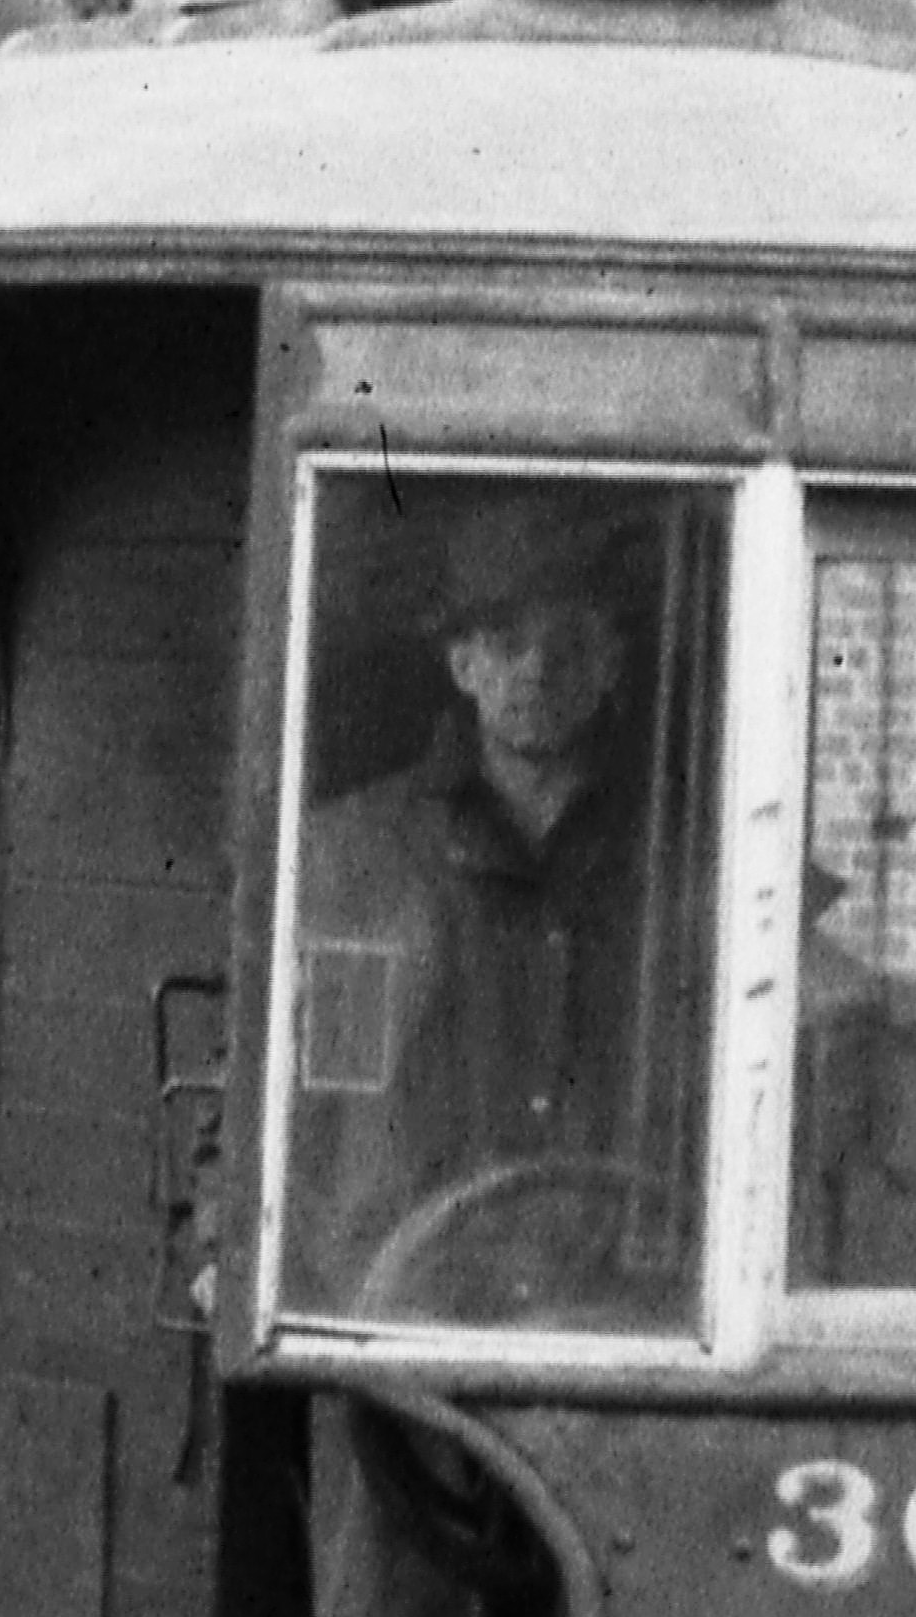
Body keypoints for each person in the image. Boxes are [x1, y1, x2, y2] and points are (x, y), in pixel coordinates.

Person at [278, 499, 681, 1324]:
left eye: (567, 644)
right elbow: (284, 1080)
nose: (534, 669)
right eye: (503, 642)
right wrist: (223, 1241)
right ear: (460, 663)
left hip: (610, 1331)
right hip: (397, 1330)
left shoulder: (675, 864)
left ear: (610, 664)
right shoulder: (354, 859)